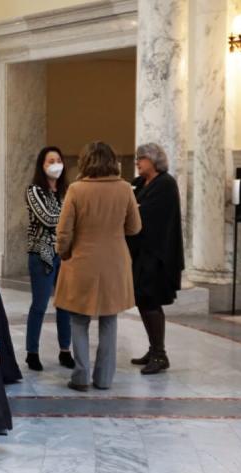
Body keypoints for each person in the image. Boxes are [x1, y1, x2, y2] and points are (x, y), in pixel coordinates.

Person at [55, 141, 142, 392]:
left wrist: (64, 252)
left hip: (81, 262)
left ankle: (80, 375)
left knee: (79, 320)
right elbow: (135, 227)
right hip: (115, 262)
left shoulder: (76, 190)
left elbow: (64, 231)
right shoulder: (125, 189)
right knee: (109, 319)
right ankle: (104, 378)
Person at [127, 143, 184, 375]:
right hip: (141, 254)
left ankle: (160, 355)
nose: (137, 163)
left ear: (154, 160)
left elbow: (143, 215)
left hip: (158, 255)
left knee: (151, 301)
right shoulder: (139, 183)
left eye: (141, 159)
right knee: (143, 300)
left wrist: (135, 208)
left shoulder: (165, 184)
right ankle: (153, 349)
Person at [24, 146, 74, 371]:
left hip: (64, 254)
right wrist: (70, 218)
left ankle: (65, 350)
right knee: (40, 304)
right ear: (42, 166)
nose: (55, 164)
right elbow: (47, 218)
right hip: (41, 254)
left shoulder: (67, 191)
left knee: (65, 304)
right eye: (49, 161)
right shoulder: (34, 191)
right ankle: (31, 352)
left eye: (58, 159)